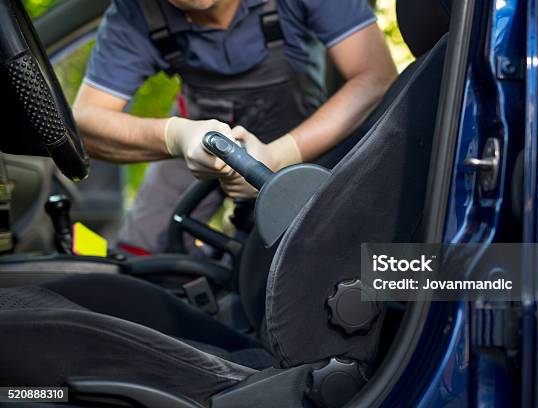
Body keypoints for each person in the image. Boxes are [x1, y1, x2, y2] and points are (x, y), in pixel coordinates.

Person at [72, 0, 397, 254]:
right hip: (196, 142)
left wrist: (280, 156)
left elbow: (375, 77)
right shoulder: (134, 12)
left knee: (318, 251)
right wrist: (176, 137)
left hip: (301, 137)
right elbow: (86, 121)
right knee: (142, 250)